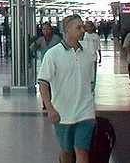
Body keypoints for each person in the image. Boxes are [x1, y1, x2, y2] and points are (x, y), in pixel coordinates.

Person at [38, 14, 96, 163]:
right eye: (78, 27)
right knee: (66, 150)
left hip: (86, 111)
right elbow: (43, 83)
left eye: (83, 27)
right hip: (62, 112)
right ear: (67, 30)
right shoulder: (53, 54)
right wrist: (50, 108)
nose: (82, 30)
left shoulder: (88, 55)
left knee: (81, 149)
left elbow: (90, 82)